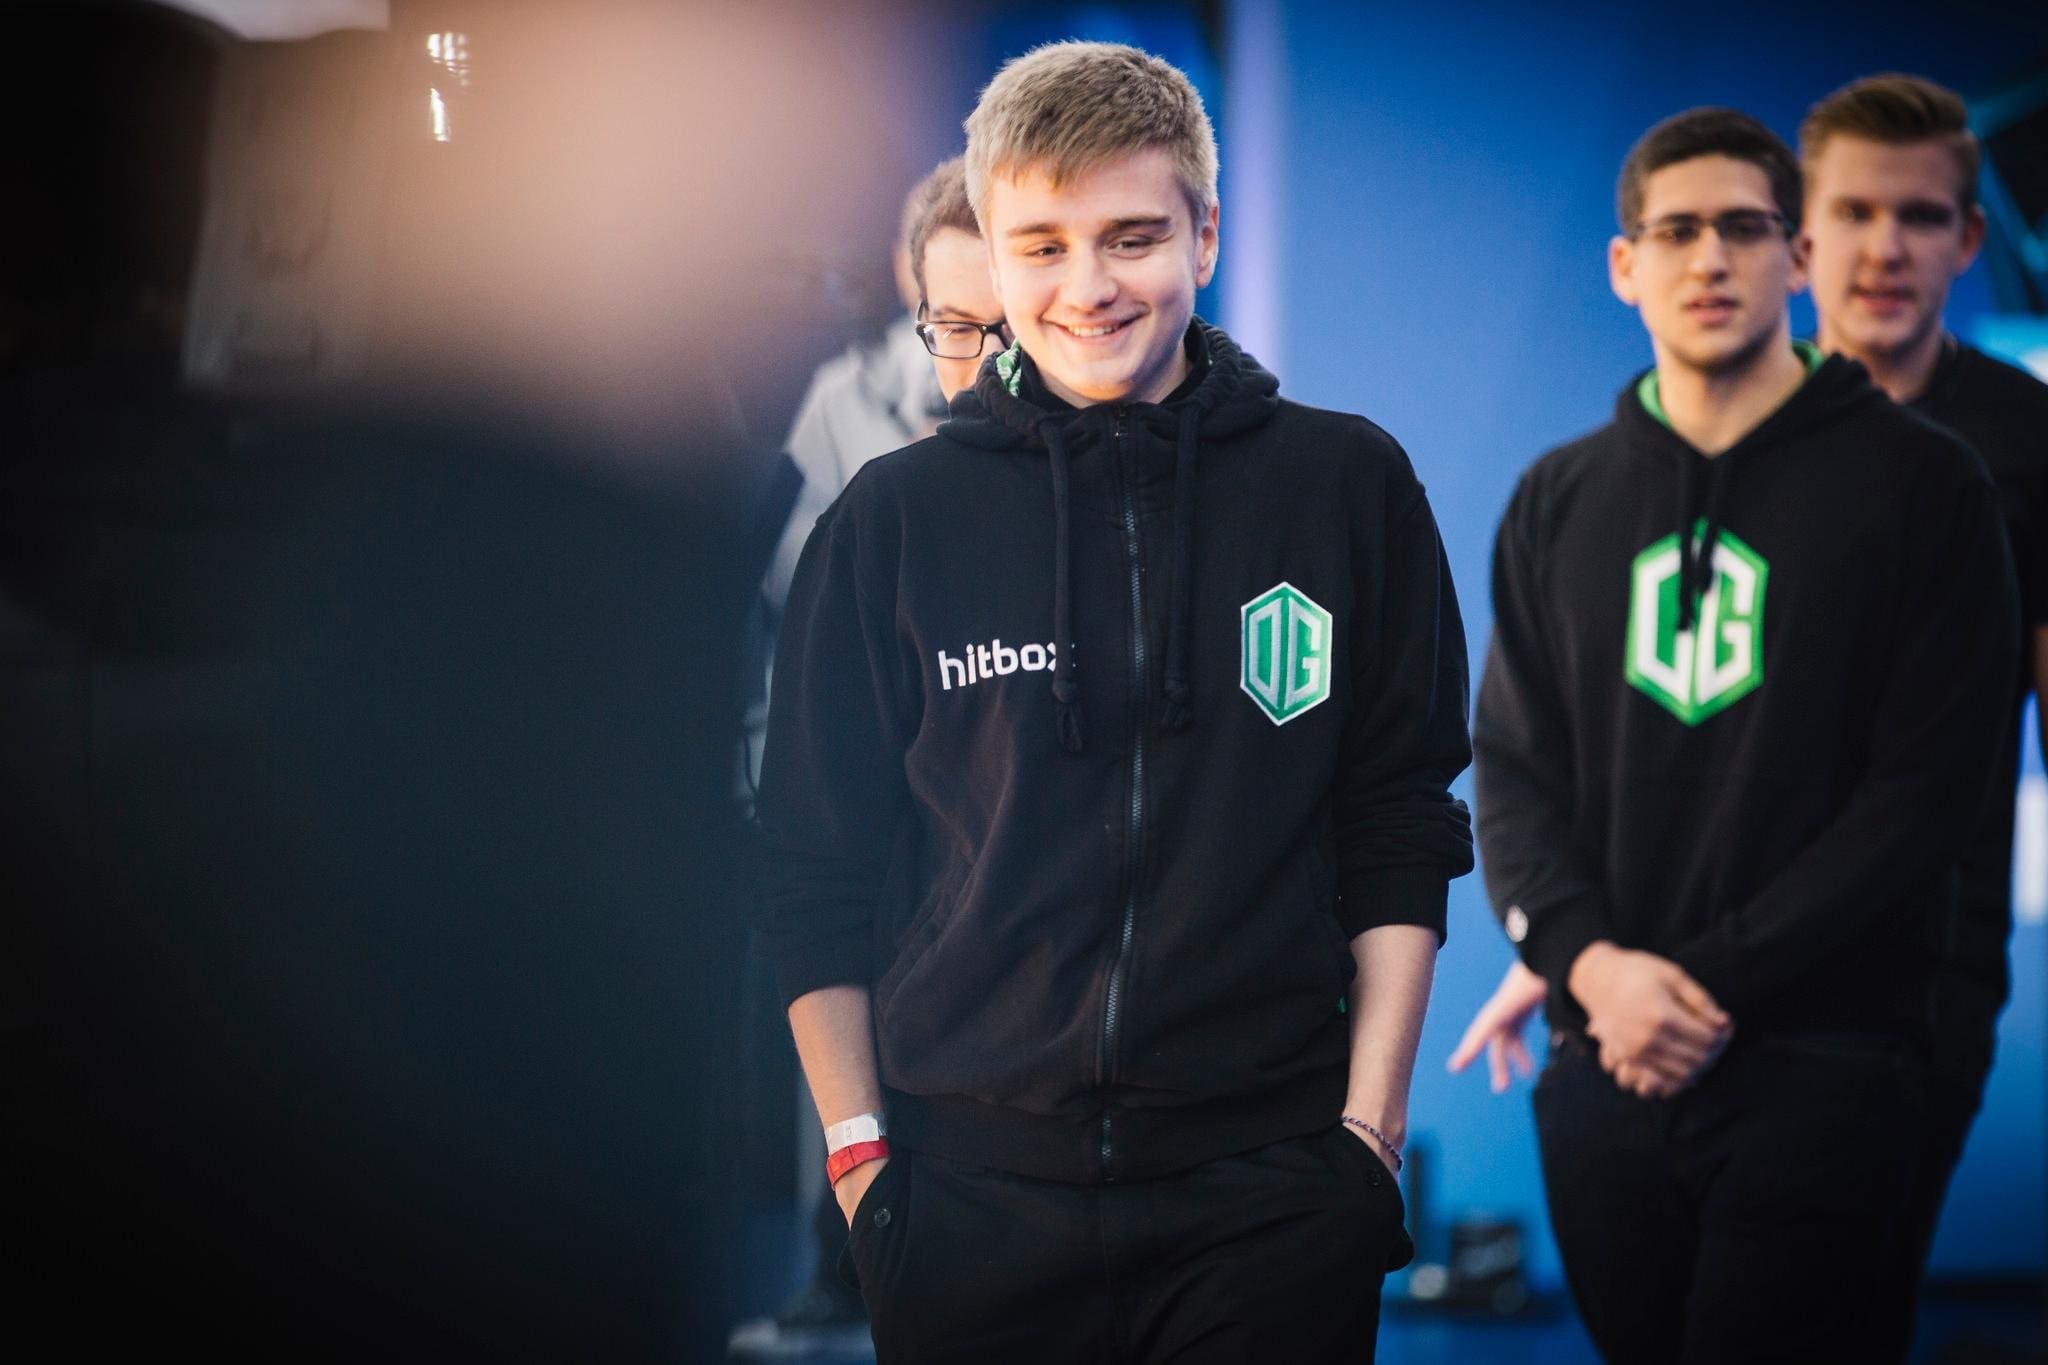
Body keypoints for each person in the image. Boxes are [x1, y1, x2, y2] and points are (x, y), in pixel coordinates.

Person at [756, 39, 1472, 1364]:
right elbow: (812, 863)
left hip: (1268, 1198)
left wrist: (1367, 1139)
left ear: (1206, 233)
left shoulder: (1345, 489)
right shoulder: (892, 524)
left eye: (1131, 238)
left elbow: (1400, 822)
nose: (1086, 287)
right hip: (967, 1205)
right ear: (993, 256)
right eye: (1041, 246)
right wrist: (863, 1170)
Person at [1469, 107, 2016, 1362]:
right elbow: (1510, 773)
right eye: (1674, 232)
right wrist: (1592, 970)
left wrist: (1699, 981)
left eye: (1741, 228)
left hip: (1828, 1057)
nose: (1708, 258)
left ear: (1797, 257)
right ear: (1624, 266)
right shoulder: (1555, 499)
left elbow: (1921, 797)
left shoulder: (1926, 486)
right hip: (1603, 1060)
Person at [1800, 72, 2048, 1358]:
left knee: (1849, 1302)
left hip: (1928, 959)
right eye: (1853, 211)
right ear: (1801, 235)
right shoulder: (1716, 422)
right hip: (1711, 951)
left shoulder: (2025, 435)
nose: (1884, 246)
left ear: (1967, 236)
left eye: (1918, 215)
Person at [747, 153, 1006, 1339]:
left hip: (982, 758)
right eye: (944, 306)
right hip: (863, 748)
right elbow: (791, 582)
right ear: (911, 282)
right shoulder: (840, 404)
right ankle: (841, 1253)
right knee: (840, 996)